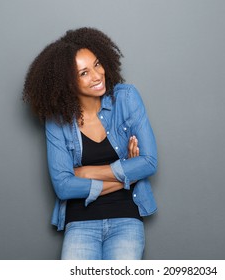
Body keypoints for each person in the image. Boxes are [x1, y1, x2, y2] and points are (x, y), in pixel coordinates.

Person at [22, 27, 158, 260]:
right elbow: (63, 187)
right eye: (83, 73)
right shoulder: (57, 120)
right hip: (80, 222)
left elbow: (149, 162)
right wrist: (128, 176)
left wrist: (85, 174)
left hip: (126, 217)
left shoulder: (126, 97)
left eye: (97, 64)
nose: (97, 75)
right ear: (67, 82)